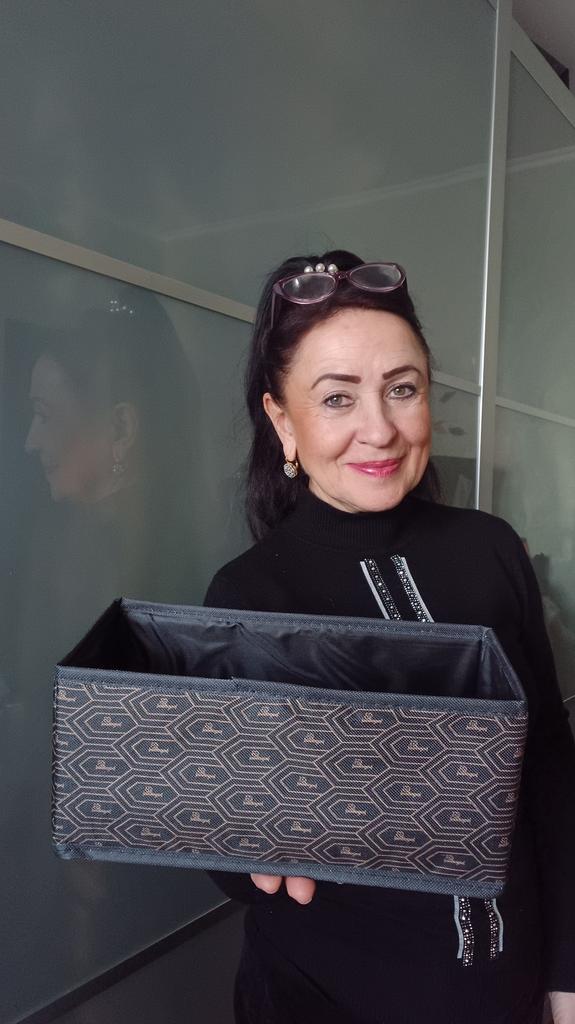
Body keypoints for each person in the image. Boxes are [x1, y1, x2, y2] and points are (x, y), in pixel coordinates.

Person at [204, 250, 575, 1024]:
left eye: (401, 389)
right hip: (326, 998)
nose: (379, 429)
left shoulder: (490, 549)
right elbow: (240, 857)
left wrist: (567, 977)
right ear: (282, 420)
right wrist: (247, 843)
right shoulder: (248, 596)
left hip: (508, 995)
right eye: (337, 398)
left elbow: (550, 772)